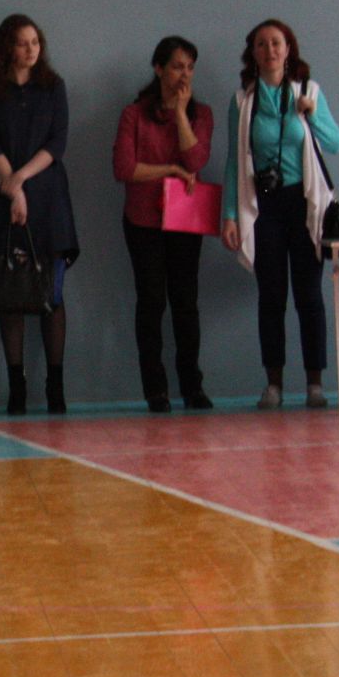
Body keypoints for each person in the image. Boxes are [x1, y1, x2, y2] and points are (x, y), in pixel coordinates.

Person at [220, 19, 339, 409]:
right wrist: (229, 215)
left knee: (309, 295)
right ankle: (273, 383)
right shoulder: (243, 101)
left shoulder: (309, 92)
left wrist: (312, 114)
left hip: (304, 205)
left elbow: (336, 142)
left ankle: (315, 383)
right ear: (253, 53)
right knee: (270, 296)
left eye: (276, 43)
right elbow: (232, 162)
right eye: (262, 44)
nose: (270, 50)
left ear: (288, 49)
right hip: (265, 207)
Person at [0, 14, 79, 414]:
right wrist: (11, 186)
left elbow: (57, 142)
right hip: (2, 195)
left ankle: (56, 384)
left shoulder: (53, 88)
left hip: (47, 194)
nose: (31, 49)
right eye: (22, 42)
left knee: (50, 289)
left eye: (36, 41)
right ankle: (16, 386)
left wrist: (21, 180)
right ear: (7, 48)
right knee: (9, 290)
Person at [113, 36, 215, 412]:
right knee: (152, 301)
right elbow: (124, 168)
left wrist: (181, 114)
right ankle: (155, 389)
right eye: (176, 66)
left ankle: (192, 386)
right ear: (158, 69)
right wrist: (168, 170)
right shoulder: (134, 114)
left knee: (186, 303)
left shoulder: (200, 114)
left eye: (189, 67)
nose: (183, 75)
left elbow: (196, 161)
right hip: (144, 220)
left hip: (185, 220)